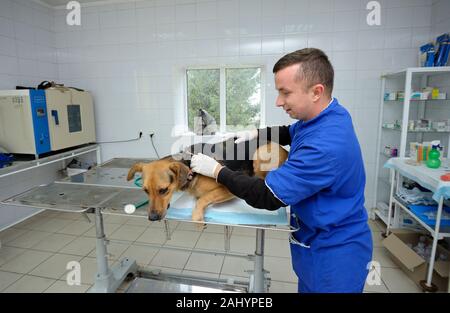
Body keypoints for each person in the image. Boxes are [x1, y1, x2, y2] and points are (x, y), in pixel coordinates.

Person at [190, 48, 373, 293]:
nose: (278, 101)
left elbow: (267, 196)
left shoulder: (325, 146)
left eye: (285, 93)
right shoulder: (328, 114)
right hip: (315, 240)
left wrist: (217, 171)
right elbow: (291, 131)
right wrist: (257, 133)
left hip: (334, 253)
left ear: (316, 91)